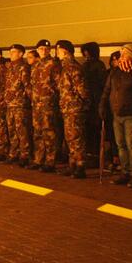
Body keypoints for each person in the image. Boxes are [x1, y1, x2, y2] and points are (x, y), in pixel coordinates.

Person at [99, 44, 132, 188]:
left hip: (131, 115)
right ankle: (125, 171)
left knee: (131, 146)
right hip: (116, 114)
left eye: (124, 53)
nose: (121, 56)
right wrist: (102, 105)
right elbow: (107, 90)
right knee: (120, 145)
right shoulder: (115, 72)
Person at [55, 40, 89, 178]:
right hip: (67, 108)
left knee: (76, 138)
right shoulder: (64, 67)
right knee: (70, 138)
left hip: (74, 108)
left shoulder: (73, 67)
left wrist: (82, 104)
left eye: (58, 50)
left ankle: (80, 166)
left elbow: (82, 90)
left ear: (65, 51)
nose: (57, 53)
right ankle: (73, 165)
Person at [29, 40, 61, 172]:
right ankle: (38, 159)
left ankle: (50, 161)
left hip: (48, 103)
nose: (43, 50)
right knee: (37, 132)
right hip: (37, 104)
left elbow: (58, 84)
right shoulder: (35, 65)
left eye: (46, 49)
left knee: (49, 133)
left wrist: (52, 98)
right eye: (41, 48)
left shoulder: (53, 64)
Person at [4, 44, 32, 166]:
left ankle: (24, 155)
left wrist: (28, 101)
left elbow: (27, 86)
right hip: (10, 104)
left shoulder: (23, 68)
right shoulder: (10, 67)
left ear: (21, 54)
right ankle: (13, 153)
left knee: (22, 131)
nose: (11, 54)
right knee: (11, 130)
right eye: (10, 52)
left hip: (20, 104)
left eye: (14, 52)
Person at [81, 42, 107, 166]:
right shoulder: (86, 65)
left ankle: (95, 156)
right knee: (87, 130)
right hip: (87, 102)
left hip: (95, 101)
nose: (86, 55)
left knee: (95, 130)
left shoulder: (98, 65)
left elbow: (102, 84)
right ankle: (89, 154)